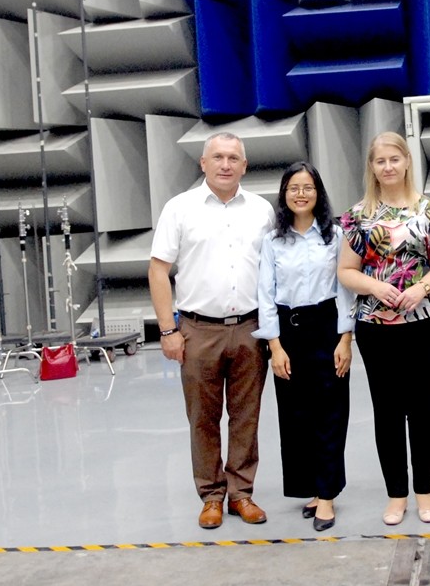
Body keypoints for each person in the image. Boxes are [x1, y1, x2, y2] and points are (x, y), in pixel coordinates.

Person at [149, 132, 275, 529]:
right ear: (203, 163)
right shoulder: (179, 208)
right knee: (203, 418)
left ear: (244, 166)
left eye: (233, 158)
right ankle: (211, 495)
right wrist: (167, 330)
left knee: (246, 416)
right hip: (198, 330)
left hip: (251, 327)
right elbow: (158, 270)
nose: (225, 164)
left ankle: (241, 493)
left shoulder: (262, 211)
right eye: (217, 157)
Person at [337, 131, 430, 526]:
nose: (388, 167)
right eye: (380, 161)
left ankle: (425, 491)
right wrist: (375, 287)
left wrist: (421, 288)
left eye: (394, 159)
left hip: (424, 324)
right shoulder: (358, 216)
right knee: (386, 411)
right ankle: (396, 494)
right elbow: (346, 271)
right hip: (375, 326)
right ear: (371, 167)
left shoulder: (428, 212)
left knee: (423, 409)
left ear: (406, 162)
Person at [255, 161, 355, 533]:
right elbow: (265, 294)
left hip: (328, 328)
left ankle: (327, 495)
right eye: (293, 188)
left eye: (308, 187)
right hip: (289, 333)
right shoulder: (272, 241)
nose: (301, 194)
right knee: (297, 417)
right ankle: (313, 486)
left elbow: (345, 289)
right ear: (284, 194)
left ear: (318, 193)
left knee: (331, 414)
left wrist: (345, 338)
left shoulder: (335, 235)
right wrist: (274, 346)